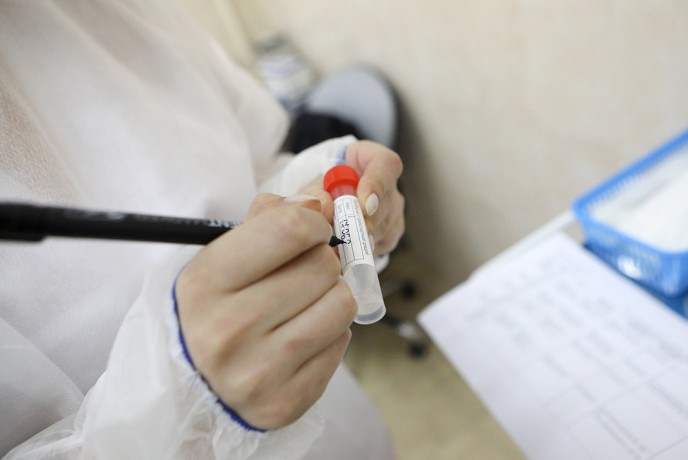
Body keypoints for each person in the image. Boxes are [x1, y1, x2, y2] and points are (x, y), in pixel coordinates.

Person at [0, 1, 404, 459]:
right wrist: (187, 411)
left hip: (337, 417)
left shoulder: (117, 11)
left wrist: (328, 183)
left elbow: (257, 166)